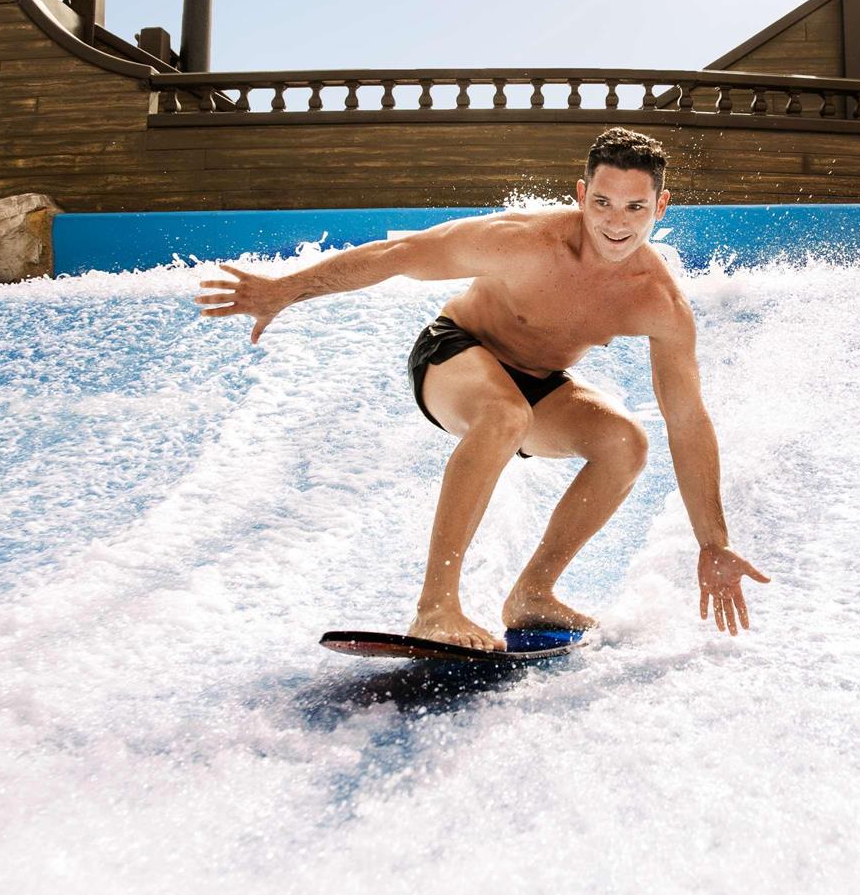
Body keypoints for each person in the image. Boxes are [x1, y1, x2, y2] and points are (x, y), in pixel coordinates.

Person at [194, 127, 770, 651]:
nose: (616, 223)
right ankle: (435, 607)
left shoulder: (659, 302)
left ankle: (533, 594)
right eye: (602, 202)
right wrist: (285, 290)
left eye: (635, 207)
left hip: (537, 383)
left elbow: (687, 419)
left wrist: (712, 542)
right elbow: (399, 255)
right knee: (503, 414)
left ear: (660, 206)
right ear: (581, 195)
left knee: (625, 443)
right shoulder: (523, 241)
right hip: (453, 353)